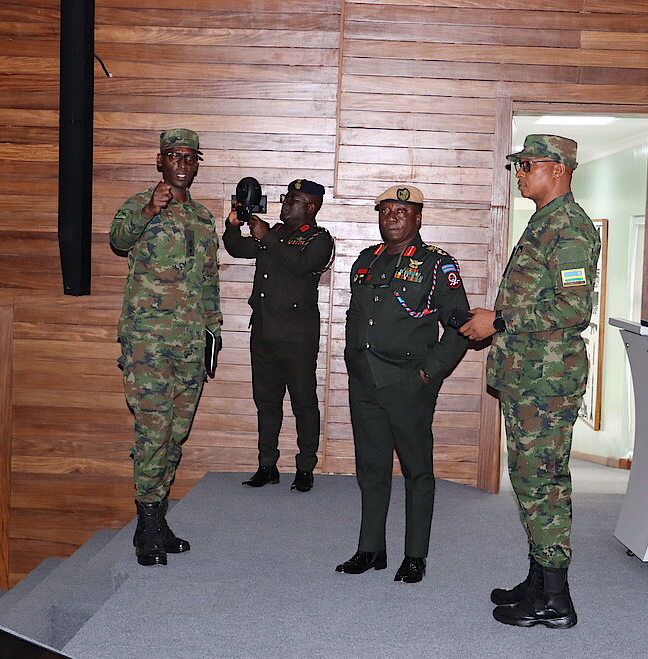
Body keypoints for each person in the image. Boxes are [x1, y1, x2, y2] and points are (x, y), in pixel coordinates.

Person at [459, 134, 600, 627]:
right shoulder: (545, 220)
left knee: (543, 483)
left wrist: (498, 321)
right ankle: (540, 579)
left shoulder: (570, 227)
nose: (519, 174)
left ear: (558, 169)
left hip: (547, 382)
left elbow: (573, 307)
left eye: (527, 165)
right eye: (516, 167)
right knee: (530, 479)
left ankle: (555, 601)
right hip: (529, 377)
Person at [336, 185, 469, 584]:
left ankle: (415, 556)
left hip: (408, 383)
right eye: (386, 210)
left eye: (402, 211)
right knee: (371, 468)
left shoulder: (436, 264)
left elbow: (460, 326)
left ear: (418, 218)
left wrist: (428, 374)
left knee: (417, 471)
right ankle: (371, 548)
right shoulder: (366, 260)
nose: (392, 217)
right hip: (365, 381)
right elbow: (357, 316)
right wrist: (353, 360)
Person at [109, 128, 222, 567]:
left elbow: (208, 279)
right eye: (174, 156)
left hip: (190, 342)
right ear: (160, 161)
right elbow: (119, 240)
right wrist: (147, 210)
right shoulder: (139, 204)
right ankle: (147, 525)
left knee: (176, 433)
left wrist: (213, 330)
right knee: (153, 431)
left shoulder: (203, 218)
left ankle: (156, 521)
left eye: (190, 157)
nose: (182, 164)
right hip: (149, 343)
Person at [222, 179, 335, 492]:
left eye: (293, 199)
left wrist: (268, 237)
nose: (285, 202)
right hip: (264, 332)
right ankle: (267, 465)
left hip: (297, 338)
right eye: (286, 196)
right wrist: (233, 226)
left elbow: (302, 265)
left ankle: (305, 467)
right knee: (266, 403)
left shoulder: (319, 239)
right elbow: (238, 249)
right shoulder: (276, 234)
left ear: (310, 206)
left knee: (303, 404)